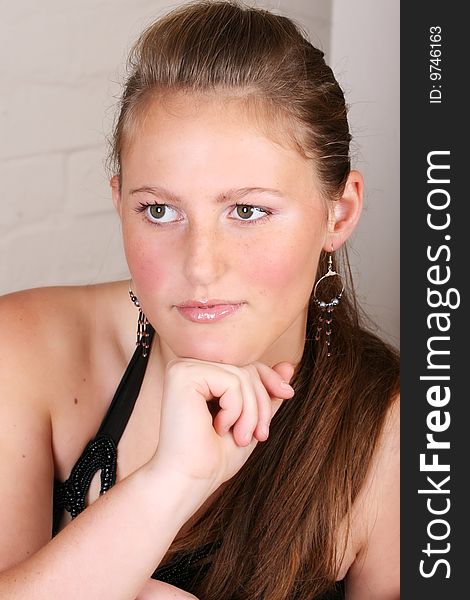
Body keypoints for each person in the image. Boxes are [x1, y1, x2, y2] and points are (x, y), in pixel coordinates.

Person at [0, 1, 399, 599]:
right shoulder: (25, 350)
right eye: (159, 210)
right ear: (119, 202)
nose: (200, 265)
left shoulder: (398, 435)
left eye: (247, 211)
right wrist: (168, 484)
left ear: (337, 213)